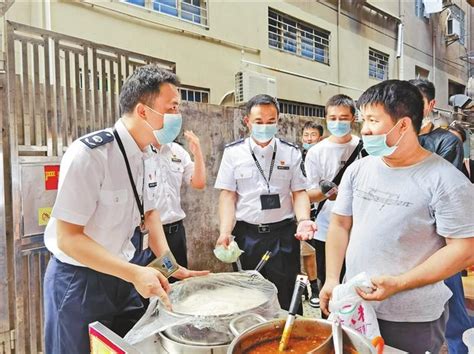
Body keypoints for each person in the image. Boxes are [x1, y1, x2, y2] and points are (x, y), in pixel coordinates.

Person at [43, 65, 208, 354]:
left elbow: (151, 215)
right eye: (172, 108)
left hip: (124, 276)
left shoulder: (151, 154)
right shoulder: (91, 155)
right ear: (143, 111)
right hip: (79, 282)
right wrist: (133, 274)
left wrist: (170, 267)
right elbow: (68, 237)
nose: (177, 116)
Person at [319, 80, 474, 353]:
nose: (364, 129)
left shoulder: (445, 180)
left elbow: (463, 250)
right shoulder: (358, 170)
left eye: (372, 120)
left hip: (412, 318)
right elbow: (340, 224)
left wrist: (399, 284)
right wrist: (332, 278)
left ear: (403, 125)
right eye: (363, 119)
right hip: (357, 305)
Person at [214, 94, 316, 312]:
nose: (265, 126)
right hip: (247, 236)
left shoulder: (291, 152)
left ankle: (290, 339)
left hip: (283, 235)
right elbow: (228, 195)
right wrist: (225, 231)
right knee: (250, 296)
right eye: (259, 121)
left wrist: (304, 220)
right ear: (247, 122)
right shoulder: (233, 153)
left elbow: (299, 192)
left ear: (278, 121)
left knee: (288, 294)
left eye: (271, 121)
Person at [411, 79, 472, 354]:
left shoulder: (446, 141)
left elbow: (432, 189)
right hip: (408, 239)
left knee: (450, 305)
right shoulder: (394, 139)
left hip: (440, 238)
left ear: (430, 105)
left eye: (416, 102)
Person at [304, 94, 362, 309]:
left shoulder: (365, 147)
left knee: (357, 286)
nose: (338, 123)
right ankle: (330, 329)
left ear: (353, 118)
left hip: (360, 228)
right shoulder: (316, 152)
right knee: (331, 284)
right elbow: (308, 193)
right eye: (333, 118)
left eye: (343, 118)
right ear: (326, 119)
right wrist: (327, 193)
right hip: (326, 229)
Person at [150, 130, 206, 269]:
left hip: (175, 232)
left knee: (178, 283)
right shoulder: (140, 151)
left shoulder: (177, 150)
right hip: (150, 235)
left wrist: (197, 153)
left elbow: (198, 183)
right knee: (155, 284)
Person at [409, 78, 464, 170]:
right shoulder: (392, 133)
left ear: (431, 104)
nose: (408, 107)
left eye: (416, 102)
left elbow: (443, 180)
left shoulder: (448, 142)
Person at [300, 121, 324, 308]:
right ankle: (302, 289)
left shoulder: (324, 156)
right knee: (299, 253)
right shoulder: (296, 158)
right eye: (306, 135)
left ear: (320, 137)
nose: (309, 138)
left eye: (313, 135)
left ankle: (316, 290)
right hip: (298, 213)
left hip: (318, 212)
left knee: (312, 254)